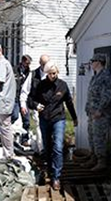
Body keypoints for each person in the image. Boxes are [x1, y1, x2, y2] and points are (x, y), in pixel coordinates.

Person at [27, 60, 78, 190]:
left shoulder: (63, 85)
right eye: (50, 74)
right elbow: (30, 100)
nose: (52, 76)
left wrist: (74, 118)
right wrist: (36, 105)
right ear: (46, 74)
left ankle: (56, 177)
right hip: (44, 118)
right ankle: (50, 169)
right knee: (47, 146)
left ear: (57, 72)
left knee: (58, 146)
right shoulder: (40, 85)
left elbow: (69, 103)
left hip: (58, 118)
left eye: (54, 73)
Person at [83, 53, 111, 171]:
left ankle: (102, 161)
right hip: (92, 112)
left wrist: (100, 110)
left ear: (99, 62)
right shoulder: (96, 76)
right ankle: (94, 158)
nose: (91, 63)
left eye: (93, 61)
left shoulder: (106, 76)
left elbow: (106, 95)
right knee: (91, 135)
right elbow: (91, 94)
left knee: (99, 137)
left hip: (100, 114)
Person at [20, 54, 49, 153]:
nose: (46, 66)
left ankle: (48, 148)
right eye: (44, 64)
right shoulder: (33, 75)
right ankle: (42, 150)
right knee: (39, 126)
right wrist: (23, 104)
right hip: (36, 105)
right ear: (40, 63)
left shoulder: (52, 73)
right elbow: (25, 91)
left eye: (47, 63)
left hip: (50, 107)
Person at [12, 54, 32, 146]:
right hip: (15, 97)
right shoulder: (14, 70)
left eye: (29, 63)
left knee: (26, 119)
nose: (27, 65)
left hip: (24, 98)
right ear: (23, 61)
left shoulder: (29, 72)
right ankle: (8, 134)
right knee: (14, 115)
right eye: (26, 63)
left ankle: (25, 139)